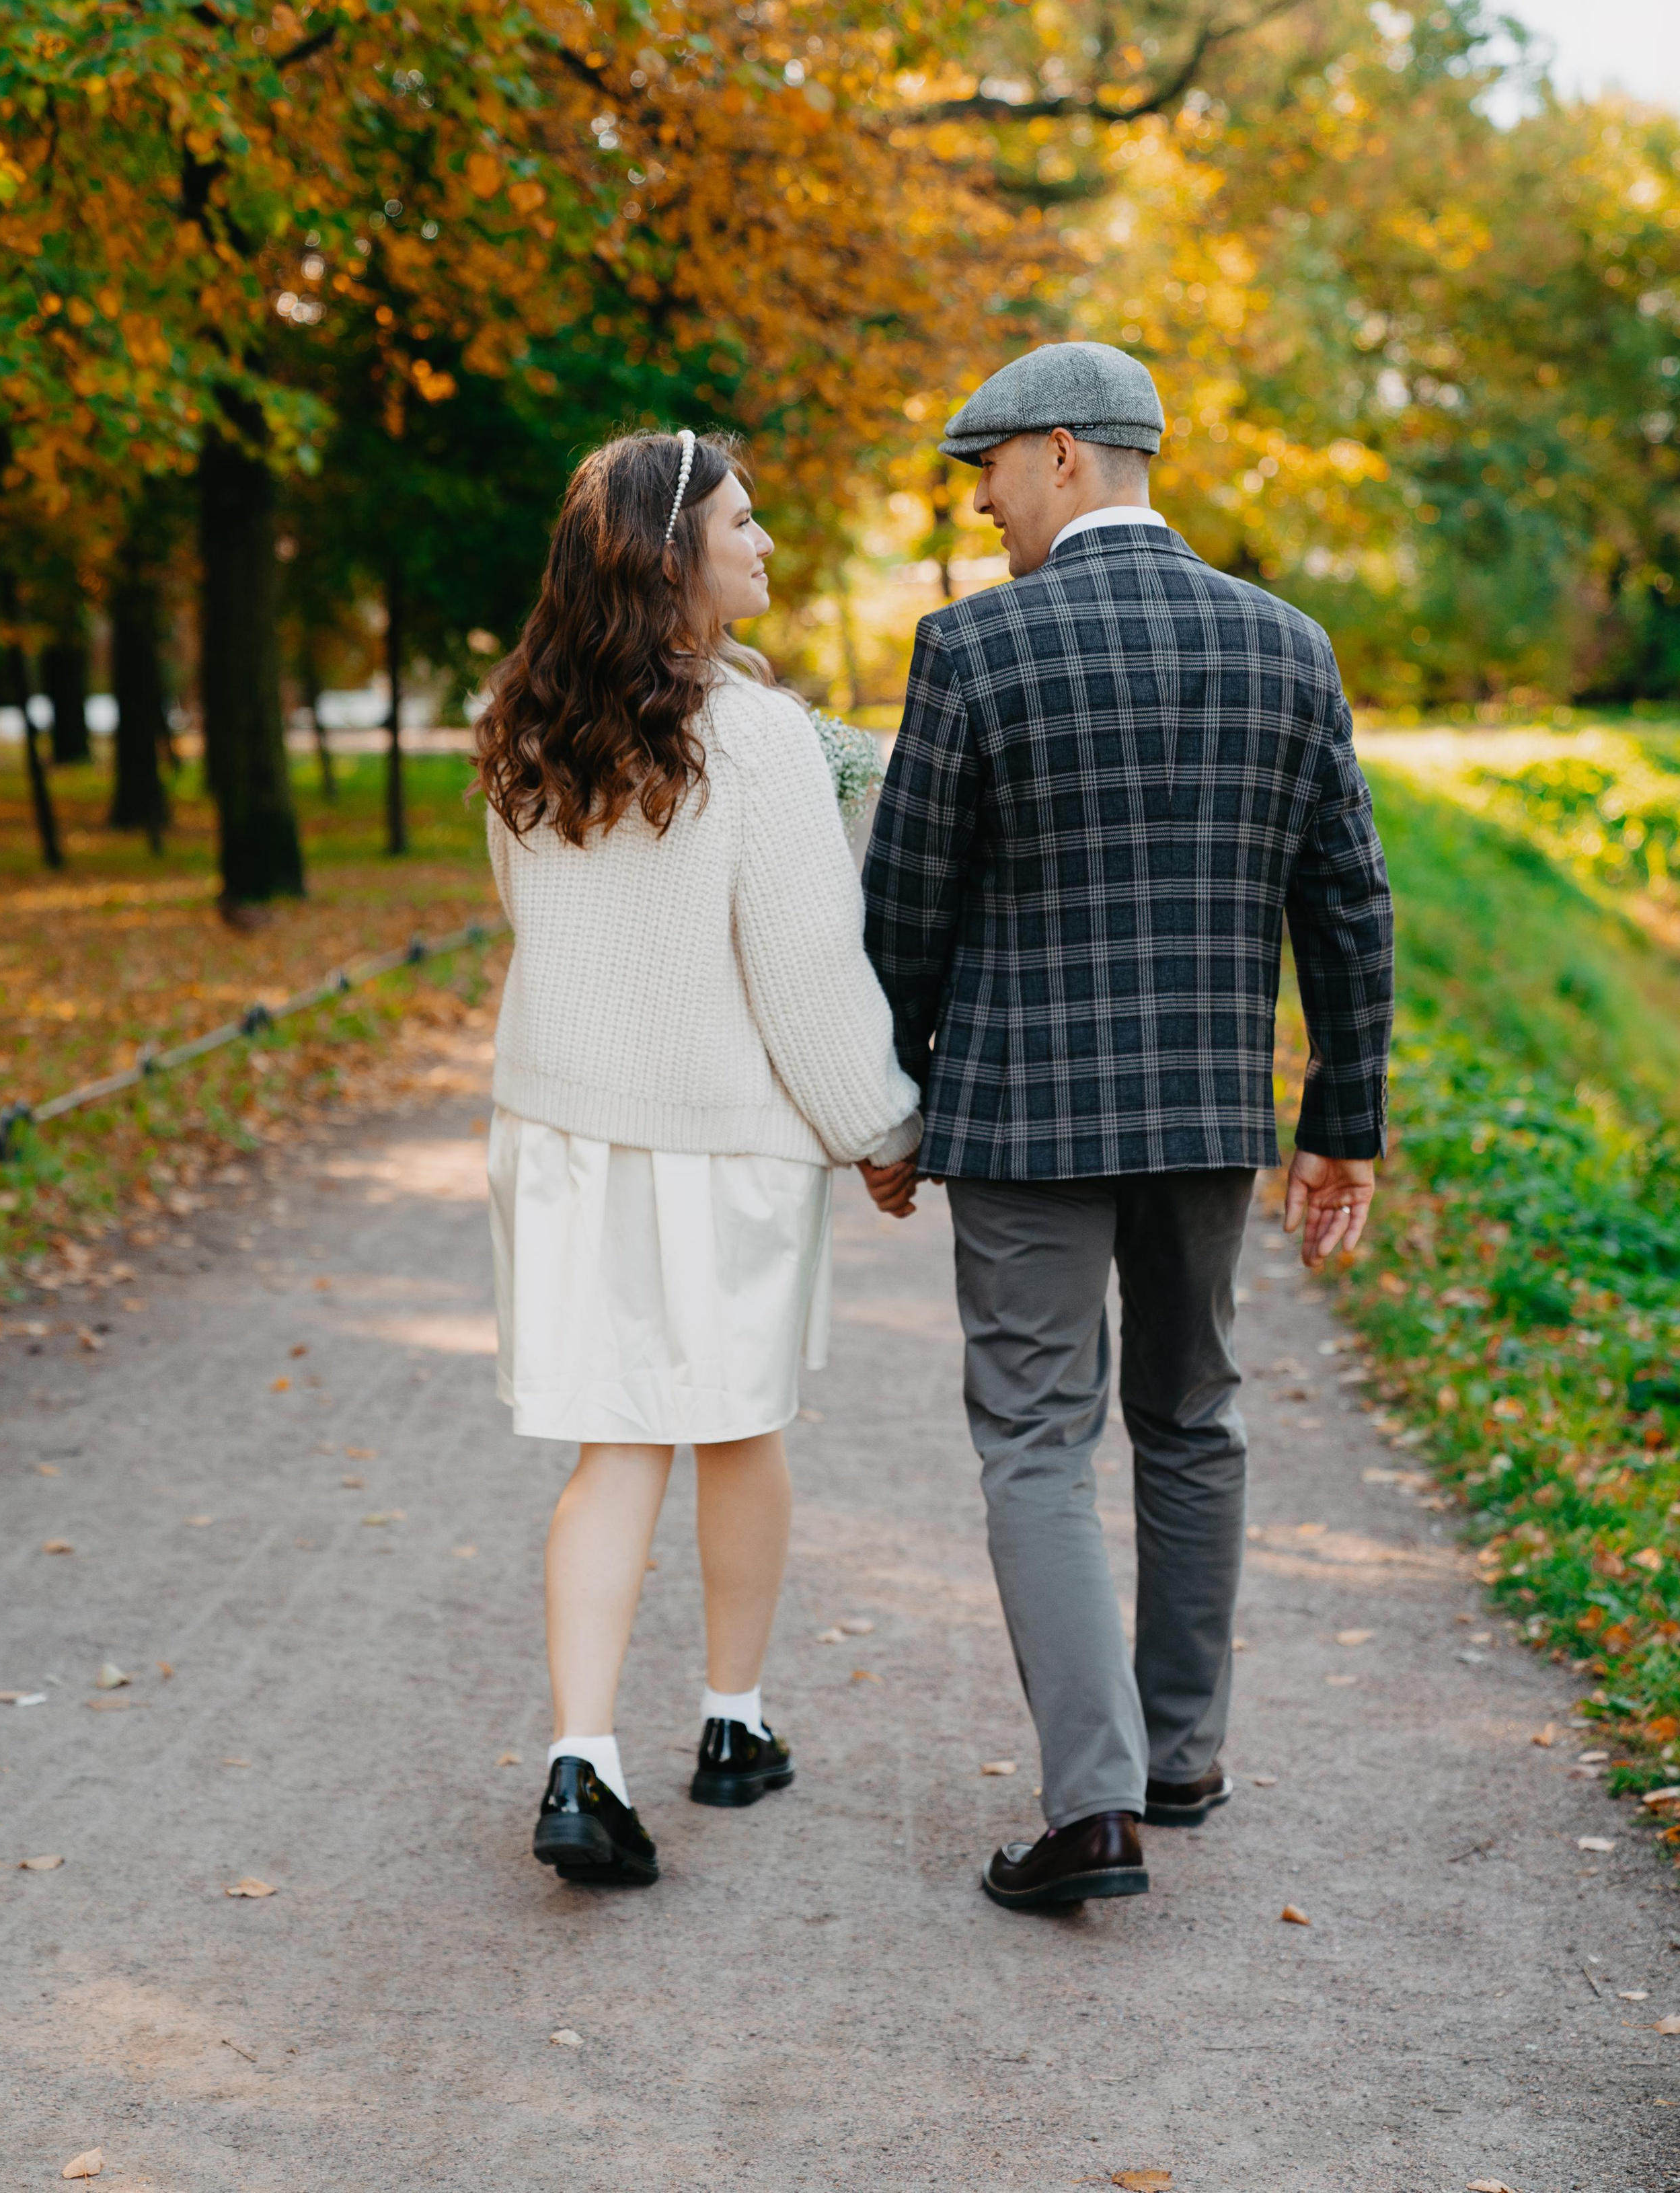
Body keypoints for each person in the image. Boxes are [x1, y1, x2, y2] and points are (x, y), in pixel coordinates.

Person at [860, 341, 1394, 1911]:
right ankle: (1183, 1756)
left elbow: (907, 908)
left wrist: (889, 1106)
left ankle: (1092, 1809)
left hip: (1022, 1118)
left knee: (1034, 1435)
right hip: (1205, 1115)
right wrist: (1337, 1122)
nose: (982, 507)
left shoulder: (971, 649)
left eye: (991, 472)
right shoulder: (1286, 646)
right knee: (1190, 1414)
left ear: (1065, 455)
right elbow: (1345, 904)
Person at [475, 427, 920, 1891]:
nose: (767, 544)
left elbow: (538, 927)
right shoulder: (760, 739)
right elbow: (804, 970)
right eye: (744, 523)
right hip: (715, 1145)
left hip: (561, 1133)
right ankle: (732, 1721)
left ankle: (581, 1754)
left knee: (614, 1445)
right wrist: (883, 1130)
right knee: (737, 1426)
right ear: (676, 554)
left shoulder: (522, 729)